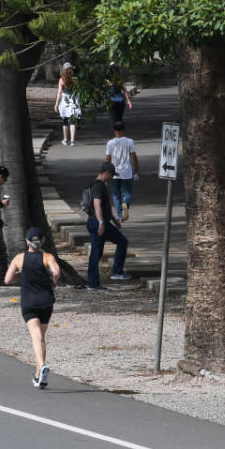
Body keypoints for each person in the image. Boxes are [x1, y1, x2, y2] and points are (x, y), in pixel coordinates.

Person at [4, 227, 59, 389]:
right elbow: (56, 271)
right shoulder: (48, 257)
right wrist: (53, 281)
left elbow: (7, 280)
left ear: (27, 242)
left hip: (29, 302)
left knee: (35, 336)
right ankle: (38, 376)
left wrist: (20, 274)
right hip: (46, 301)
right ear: (42, 241)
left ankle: (41, 365)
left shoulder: (19, 259)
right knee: (41, 336)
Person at [84, 162, 131, 290]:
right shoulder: (99, 187)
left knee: (96, 253)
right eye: (111, 175)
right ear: (106, 173)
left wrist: (114, 221)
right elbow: (97, 205)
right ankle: (117, 272)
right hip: (98, 222)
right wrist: (101, 223)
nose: (111, 178)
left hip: (94, 221)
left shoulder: (95, 185)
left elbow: (105, 209)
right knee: (122, 241)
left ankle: (92, 283)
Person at [105, 121, 139, 223]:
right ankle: (126, 204)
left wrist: (106, 171)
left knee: (115, 195)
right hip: (127, 172)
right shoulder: (129, 141)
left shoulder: (110, 143)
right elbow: (134, 157)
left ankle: (120, 216)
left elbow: (107, 158)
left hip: (114, 173)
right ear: (124, 130)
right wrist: (136, 170)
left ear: (114, 130)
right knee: (127, 193)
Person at [54, 62, 81, 146]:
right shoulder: (75, 79)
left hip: (65, 101)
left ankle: (65, 140)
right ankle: (72, 141)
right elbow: (79, 91)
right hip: (73, 100)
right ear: (71, 70)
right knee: (72, 122)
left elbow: (59, 92)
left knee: (65, 121)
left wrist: (56, 104)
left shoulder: (61, 80)